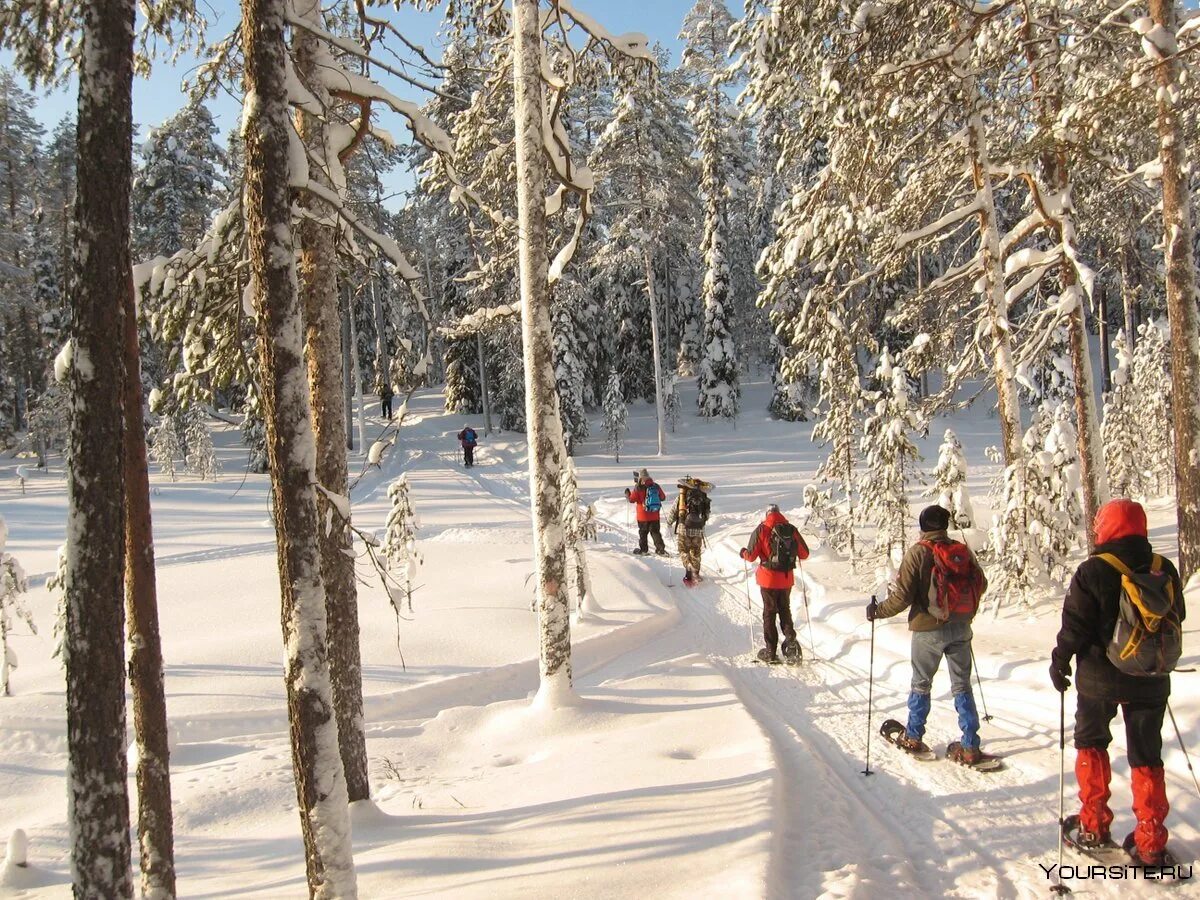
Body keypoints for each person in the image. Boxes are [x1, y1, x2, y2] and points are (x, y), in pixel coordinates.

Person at [1050, 498, 1185, 865]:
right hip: (1151, 677)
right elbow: (1178, 616)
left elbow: (1074, 627)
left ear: (1106, 527)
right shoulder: (1164, 568)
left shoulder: (1093, 571)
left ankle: (1094, 826)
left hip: (1099, 677)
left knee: (1092, 743)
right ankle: (1151, 840)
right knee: (1147, 754)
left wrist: (1059, 661)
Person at [866, 504, 987, 764]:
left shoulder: (918, 553)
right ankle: (970, 745)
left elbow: (902, 597)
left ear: (923, 526)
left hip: (927, 629)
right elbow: (982, 583)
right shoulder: (961, 551)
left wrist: (877, 611)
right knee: (962, 685)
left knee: (921, 683)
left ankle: (913, 735)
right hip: (961, 627)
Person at [740, 504, 809, 663]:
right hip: (786, 579)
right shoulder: (791, 529)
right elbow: (804, 554)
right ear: (779, 514)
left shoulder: (762, 529)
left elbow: (750, 556)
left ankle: (770, 652)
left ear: (767, 514)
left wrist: (743, 552)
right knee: (785, 609)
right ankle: (791, 643)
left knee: (769, 613)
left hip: (768, 579)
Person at [669, 476, 711, 585]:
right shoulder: (704, 498)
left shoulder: (682, 496)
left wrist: (669, 522)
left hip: (683, 527)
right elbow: (707, 515)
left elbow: (674, 511)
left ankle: (688, 569)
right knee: (696, 551)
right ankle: (696, 574)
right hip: (698, 529)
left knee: (683, 549)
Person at [625, 468, 667, 556]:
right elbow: (663, 497)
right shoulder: (655, 486)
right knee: (655, 532)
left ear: (640, 478)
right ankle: (660, 550)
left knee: (643, 533)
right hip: (654, 514)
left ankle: (644, 550)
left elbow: (632, 500)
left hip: (642, 516)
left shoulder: (638, 488)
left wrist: (627, 495)